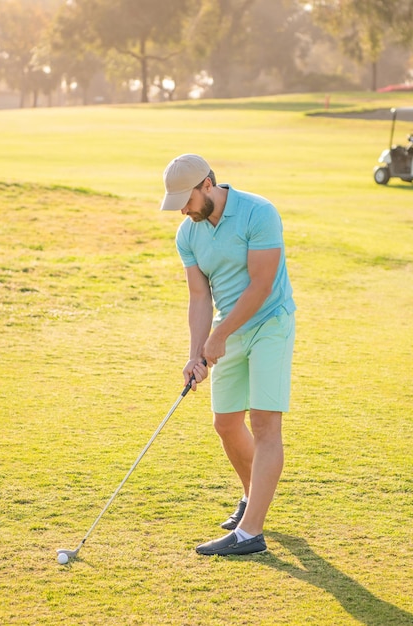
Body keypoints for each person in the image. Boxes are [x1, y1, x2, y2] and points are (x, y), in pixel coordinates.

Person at [160, 154, 296, 556]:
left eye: (186, 200)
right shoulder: (189, 234)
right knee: (226, 423)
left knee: (265, 425)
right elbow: (200, 296)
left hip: (270, 323)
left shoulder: (259, 212)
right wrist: (194, 354)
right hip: (226, 329)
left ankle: (250, 533)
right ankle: (253, 500)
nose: (182, 210)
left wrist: (218, 337)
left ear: (207, 185)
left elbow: (262, 284)